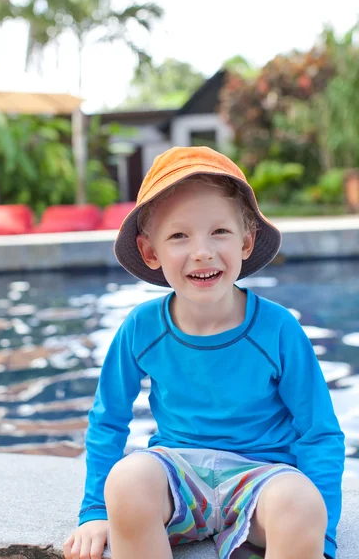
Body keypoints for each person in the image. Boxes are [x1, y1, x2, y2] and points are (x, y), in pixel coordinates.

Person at [63, 146, 345, 559]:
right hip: (178, 475)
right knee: (127, 480)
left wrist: (320, 536)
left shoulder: (279, 329)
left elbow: (318, 432)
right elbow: (108, 421)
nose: (202, 251)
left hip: (262, 480)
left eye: (220, 232)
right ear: (150, 252)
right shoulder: (141, 328)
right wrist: (94, 512)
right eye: (179, 235)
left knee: (300, 503)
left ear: (246, 241)